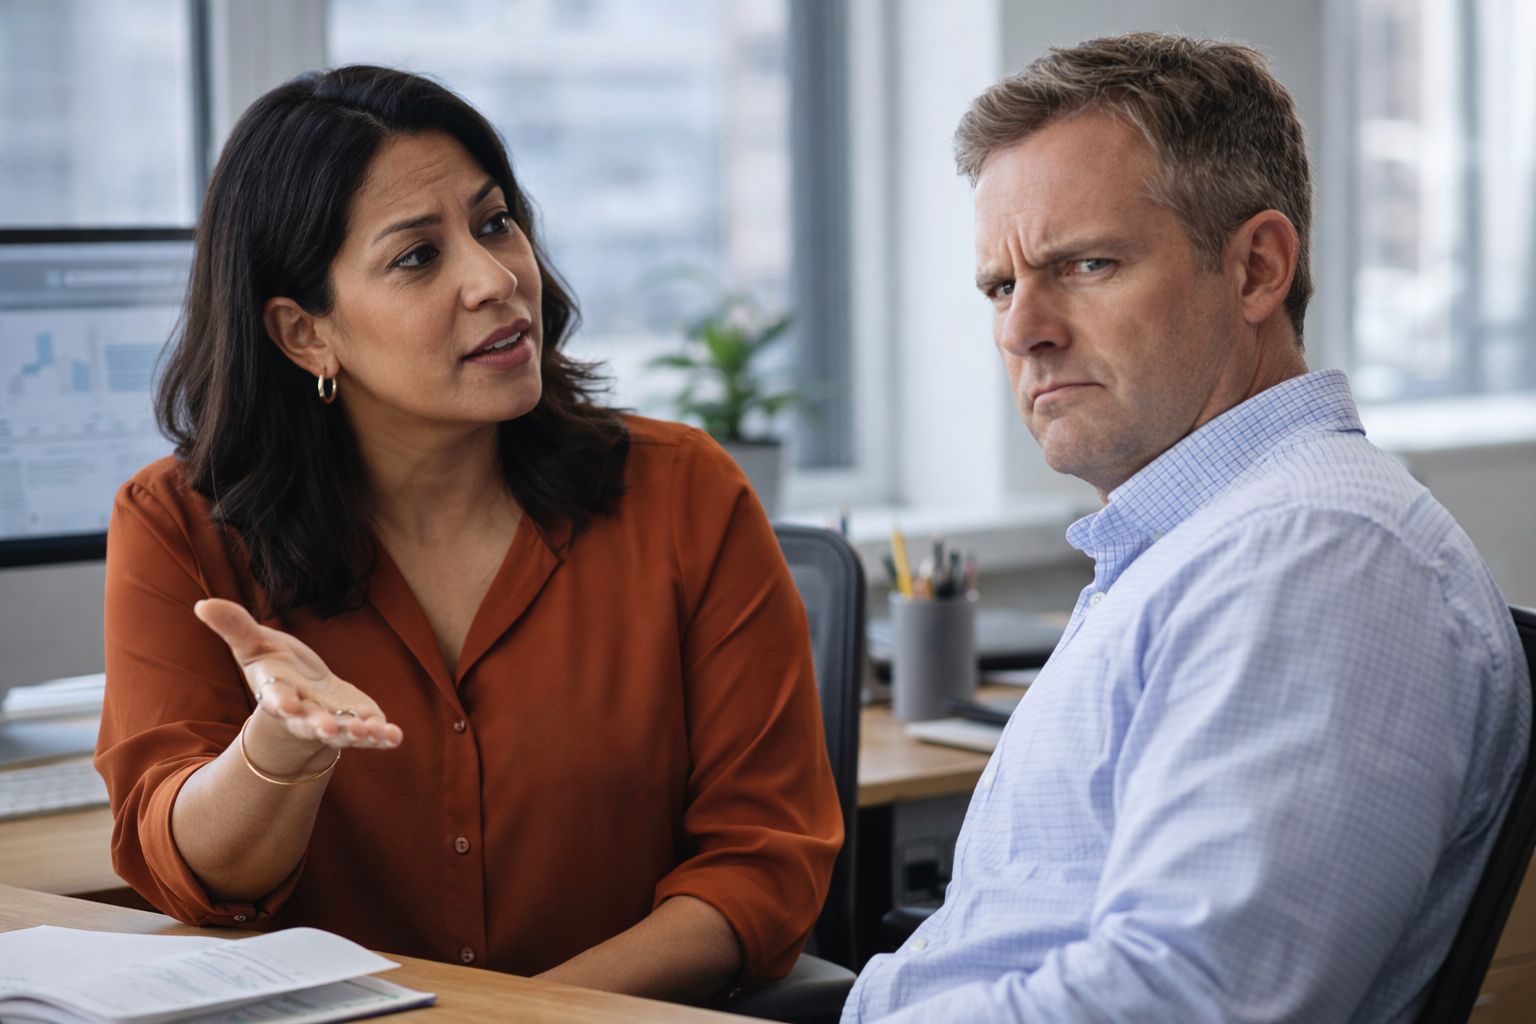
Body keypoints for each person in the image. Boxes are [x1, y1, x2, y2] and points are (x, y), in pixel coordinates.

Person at [94, 65, 841, 1003]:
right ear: (303, 334)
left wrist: (515, 1021)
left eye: (495, 224)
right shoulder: (179, 526)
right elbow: (190, 878)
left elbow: (764, 868)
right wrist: (278, 752)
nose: (496, 279)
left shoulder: (685, 495)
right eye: (418, 257)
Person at [843, 33, 1529, 1024]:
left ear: (1256, 268)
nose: (1020, 329)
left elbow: (1186, 1000)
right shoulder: (1196, 543)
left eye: (1085, 263)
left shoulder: (1317, 555)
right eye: (1001, 285)